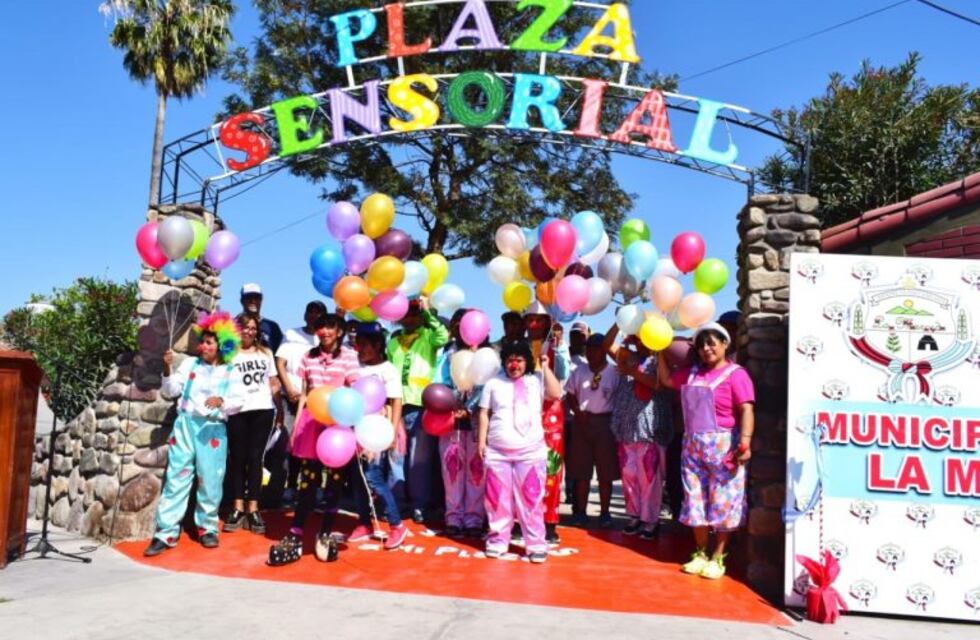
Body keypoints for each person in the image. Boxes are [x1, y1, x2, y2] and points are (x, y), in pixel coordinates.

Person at [658, 322, 755, 580]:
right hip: (692, 446)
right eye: (701, 345)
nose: (706, 349)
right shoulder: (691, 374)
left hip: (724, 447)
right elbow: (667, 379)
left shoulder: (736, 374)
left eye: (712, 342)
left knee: (724, 501)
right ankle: (700, 552)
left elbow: (746, 409)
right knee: (694, 500)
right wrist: (659, 352)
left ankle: (718, 556)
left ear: (725, 344)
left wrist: (744, 443)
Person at [144, 312, 245, 556]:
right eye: (203, 341)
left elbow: (239, 401)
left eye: (209, 342)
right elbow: (171, 391)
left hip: (212, 429)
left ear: (222, 345)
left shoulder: (231, 370)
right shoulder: (190, 365)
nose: (203, 346)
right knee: (177, 478)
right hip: (186, 426)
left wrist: (221, 400)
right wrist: (168, 368)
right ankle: (165, 532)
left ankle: (208, 528)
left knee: (210, 480)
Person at [268, 313, 360, 566]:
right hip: (312, 424)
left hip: (338, 429)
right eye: (320, 327)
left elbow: (356, 390)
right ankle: (297, 529)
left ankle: (326, 530)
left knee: (334, 482)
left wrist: (356, 428)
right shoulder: (308, 357)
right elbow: (306, 393)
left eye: (330, 327)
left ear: (339, 331)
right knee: (307, 482)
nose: (324, 331)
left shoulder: (350, 357)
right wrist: (298, 425)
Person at [478, 341, 563, 563]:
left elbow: (556, 393)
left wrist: (545, 367)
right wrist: (481, 441)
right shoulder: (493, 383)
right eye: (510, 360)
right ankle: (497, 541)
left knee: (531, 499)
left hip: (530, 453)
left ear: (527, 361)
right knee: (497, 500)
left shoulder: (536, 382)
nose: (514, 364)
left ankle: (535, 544)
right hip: (498, 453)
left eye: (520, 360)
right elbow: (484, 413)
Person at [604, 323, 674, 539]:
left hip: (650, 431)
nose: (642, 341)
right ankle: (634, 517)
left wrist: (632, 371)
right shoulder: (628, 355)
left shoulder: (661, 359)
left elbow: (660, 385)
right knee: (630, 477)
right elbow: (607, 345)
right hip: (627, 430)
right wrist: (620, 322)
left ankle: (650, 521)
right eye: (639, 336)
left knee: (650, 479)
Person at [386, 298, 450, 525]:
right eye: (407, 314)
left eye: (414, 314)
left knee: (417, 459)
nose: (410, 318)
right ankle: (397, 503)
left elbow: (444, 335)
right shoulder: (393, 342)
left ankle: (419, 505)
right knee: (396, 456)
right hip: (396, 405)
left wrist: (428, 313)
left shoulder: (428, 336)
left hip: (421, 404)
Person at [349, 322, 409, 550]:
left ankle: (396, 525)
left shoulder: (388, 370)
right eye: (358, 344)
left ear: (378, 346)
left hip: (377, 429)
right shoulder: (355, 368)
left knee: (374, 477)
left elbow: (396, 402)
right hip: (355, 428)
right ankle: (364, 523)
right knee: (358, 479)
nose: (361, 349)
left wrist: (391, 433)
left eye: (365, 344)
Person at [224, 312, 282, 535]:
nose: (249, 331)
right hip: (237, 410)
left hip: (262, 409)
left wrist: (279, 409)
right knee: (238, 459)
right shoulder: (228, 352)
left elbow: (273, 382)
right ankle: (237, 507)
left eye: (253, 327)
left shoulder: (265, 352)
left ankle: (253, 507)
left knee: (256, 459)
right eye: (245, 327)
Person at [268, 300, 327, 507]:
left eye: (318, 312)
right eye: (310, 311)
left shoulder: (324, 338)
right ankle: (286, 487)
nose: (314, 315)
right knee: (287, 444)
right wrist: (289, 389)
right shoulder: (292, 334)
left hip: (315, 400)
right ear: (304, 315)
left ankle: (314, 488)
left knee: (314, 445)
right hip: (288, 397)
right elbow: (280, 364)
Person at [436, 309, 485, 539]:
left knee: (476, 471)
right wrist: (453, 405)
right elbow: (440, 381)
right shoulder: (447, 353)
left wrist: (470, 407)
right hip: (450, 421)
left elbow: (486, 383)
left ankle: (474, 518)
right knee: (452, 470)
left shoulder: (487, 354)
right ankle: (453, 517)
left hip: (476, 423)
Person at [523, 302, 568, 545]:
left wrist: (558, 350)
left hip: (551, 416)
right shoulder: (519, 346)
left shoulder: (558, 346)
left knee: (550, 469)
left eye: (539, 320)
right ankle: (523, 519)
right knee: (524, 467)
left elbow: (564, 378)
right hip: (524, 414)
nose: (534, 324)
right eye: (530, 319)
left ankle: (549, 521)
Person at [564, 333, 620, 528]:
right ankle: (580, 511)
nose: (590, 352)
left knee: (606, 472)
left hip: (605, 424)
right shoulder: (579, 371)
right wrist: (577, 411)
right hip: (582, 422)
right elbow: (569, 394)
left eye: (594, 348)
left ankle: (605, 512)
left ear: (604, 350)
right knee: (581, 472)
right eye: (588, 348)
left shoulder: (614, 372)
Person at [240, 283, 283, 354]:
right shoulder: (233, 325)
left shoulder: (272, 327)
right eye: (249, 297)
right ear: (242, 301)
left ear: (261, 300)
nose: (253, 301)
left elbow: (279, 353)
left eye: (256, 297)